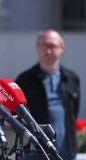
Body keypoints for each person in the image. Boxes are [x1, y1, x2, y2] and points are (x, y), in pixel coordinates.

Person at [15, 28, 80, 160]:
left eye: (52, 46)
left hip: (67, 153)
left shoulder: (72, 78)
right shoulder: (25, 80)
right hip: (35, 153)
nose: (47, 51)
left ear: (62, 47)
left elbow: (74, 112)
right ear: (37, 47)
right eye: (43, 46)